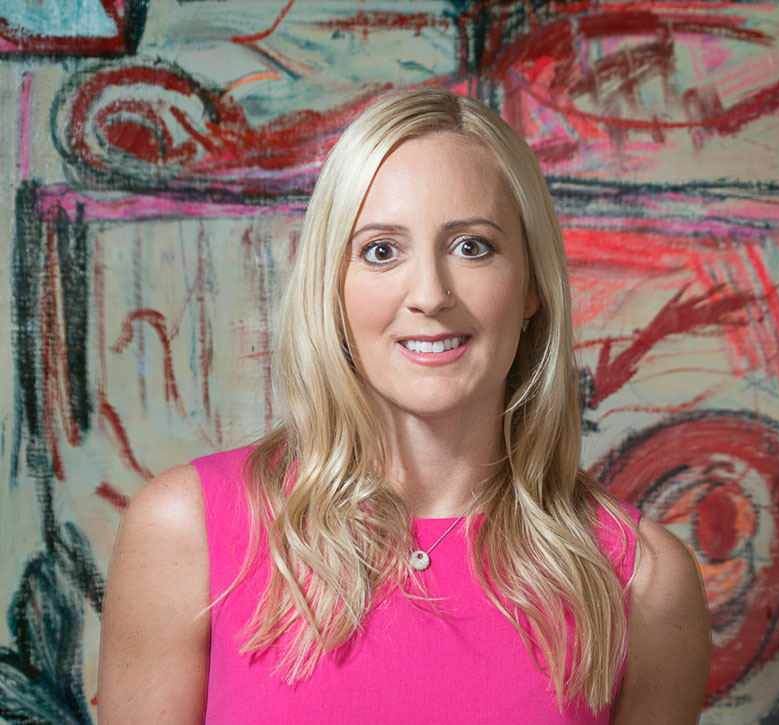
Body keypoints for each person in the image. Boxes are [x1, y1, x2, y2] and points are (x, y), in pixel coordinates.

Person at [98, 87, 710, 723]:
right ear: (332, 285)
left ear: (532, 284)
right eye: (381, 250)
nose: (429, 294)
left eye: (472, 246)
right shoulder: (187, 531)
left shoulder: (644, 582)